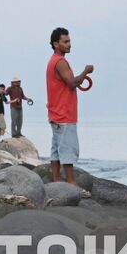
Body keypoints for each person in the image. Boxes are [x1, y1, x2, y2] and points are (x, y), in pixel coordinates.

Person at [46, 27, 94, 185]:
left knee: (56, 151)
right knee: (67, 150)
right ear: (55, 43)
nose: (69, 44)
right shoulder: (59, 62)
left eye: (69, 41)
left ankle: (56, 182)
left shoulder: (54, 60)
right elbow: (72, 83)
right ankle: (71, 183)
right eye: (65, 42)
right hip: (64, 115)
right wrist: (85, 72)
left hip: (56, 114)